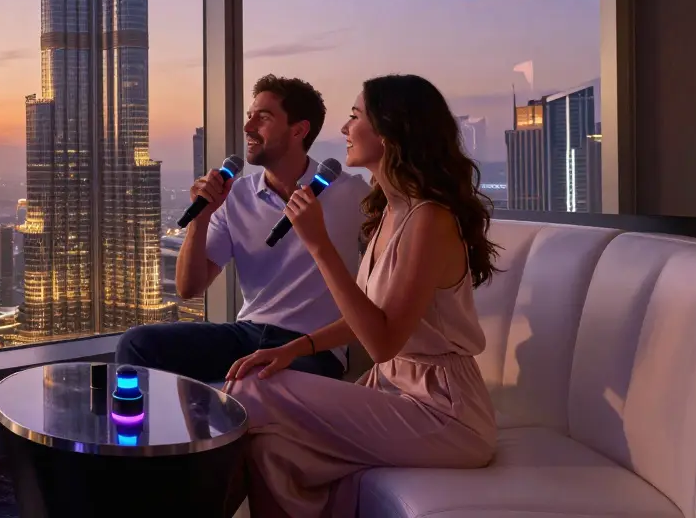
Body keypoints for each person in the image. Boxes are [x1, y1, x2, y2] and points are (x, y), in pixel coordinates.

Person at [222, 74, 500, 518]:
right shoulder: (390, 211)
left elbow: (382, 342)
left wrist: (318, 246)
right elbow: (371, 316)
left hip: (443, 411)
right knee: (272, 450)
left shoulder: (430, 220)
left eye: (354, 117)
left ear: (389, 133)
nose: (344, 130)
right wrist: (294, 348)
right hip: (392, 389)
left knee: (250, 388)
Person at [115, 74, 369, 382]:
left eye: (263, 118)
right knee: (137, 344)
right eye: (249, 117)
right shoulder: (236, 196)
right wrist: (202, 218)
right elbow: (188, 287)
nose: (248, 128)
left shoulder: (351, 193)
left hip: (312, 349)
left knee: (257, 385)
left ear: (298, 130)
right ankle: (139, 429)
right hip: (247, 335)